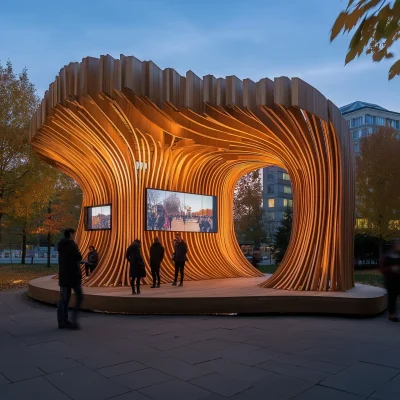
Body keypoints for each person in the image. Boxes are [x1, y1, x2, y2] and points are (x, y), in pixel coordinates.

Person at [57, 228, 83, 330]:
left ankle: (62, 322)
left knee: (64, 300)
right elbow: (79, 257)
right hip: (73, 276)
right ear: (70, 234)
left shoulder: (60, 245)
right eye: (74, 234)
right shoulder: (72, 245)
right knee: (80, 297)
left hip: (63, 276)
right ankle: (73, 320)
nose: (74, 235)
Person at [381, 239, 400, 322]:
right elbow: (381, 268)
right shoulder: (387, 256)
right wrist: (391, 268)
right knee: (392, 298)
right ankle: (392, 315)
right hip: (391, 281)